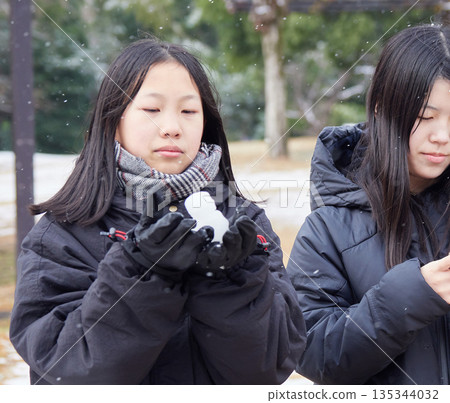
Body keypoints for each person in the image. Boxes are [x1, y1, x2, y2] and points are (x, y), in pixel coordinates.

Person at [10, 38, 306, 385]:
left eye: (188, 111)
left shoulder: (244, 224)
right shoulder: (63, 234)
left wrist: (228, 280)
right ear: (114, 120)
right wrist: (142, 273)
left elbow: (268, 369)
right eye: (151, 110)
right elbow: (68, 370)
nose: (172, 127)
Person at [287, 24, 450, 384]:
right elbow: (310, 352)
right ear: (381, 108)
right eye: (425, 117)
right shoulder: (326, 229)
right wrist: (408, 298)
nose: (443, 137)